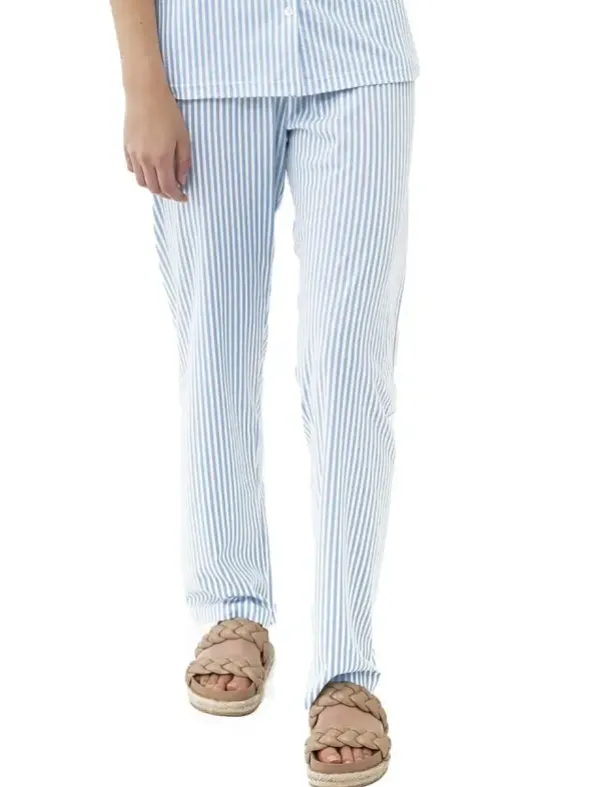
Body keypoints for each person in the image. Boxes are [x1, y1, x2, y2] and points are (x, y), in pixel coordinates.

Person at [110, 1, 419, 784]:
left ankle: (347, 662)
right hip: (205, 61)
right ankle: (232, 604)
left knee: (349, 363)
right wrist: (143, 78)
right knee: (214, 347)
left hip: (357, 54)